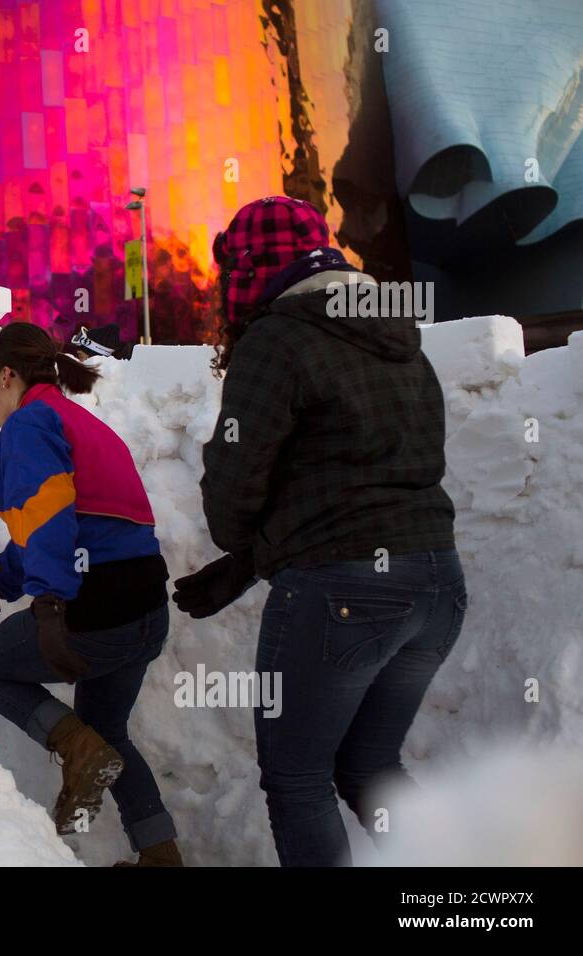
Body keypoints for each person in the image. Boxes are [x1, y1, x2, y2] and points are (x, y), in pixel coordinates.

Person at [175, 195, 466, 866]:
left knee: (298, 780)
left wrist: (239, 539)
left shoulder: (277, 338)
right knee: (370, 769)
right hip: (437, 585)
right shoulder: (396, 340)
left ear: (251, 266)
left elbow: (235, 481)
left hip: (342, 594)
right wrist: (258, 558)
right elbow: (369, 473)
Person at [0, 322, 183, 867]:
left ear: (7, 374)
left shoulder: (31, 423)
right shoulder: (75, 419)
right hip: (146, 610)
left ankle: (75, 750)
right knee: (108, 731)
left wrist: (49, 605)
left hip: (96, 609)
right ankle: (161, 857)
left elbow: (53, 519)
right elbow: (61, 525)